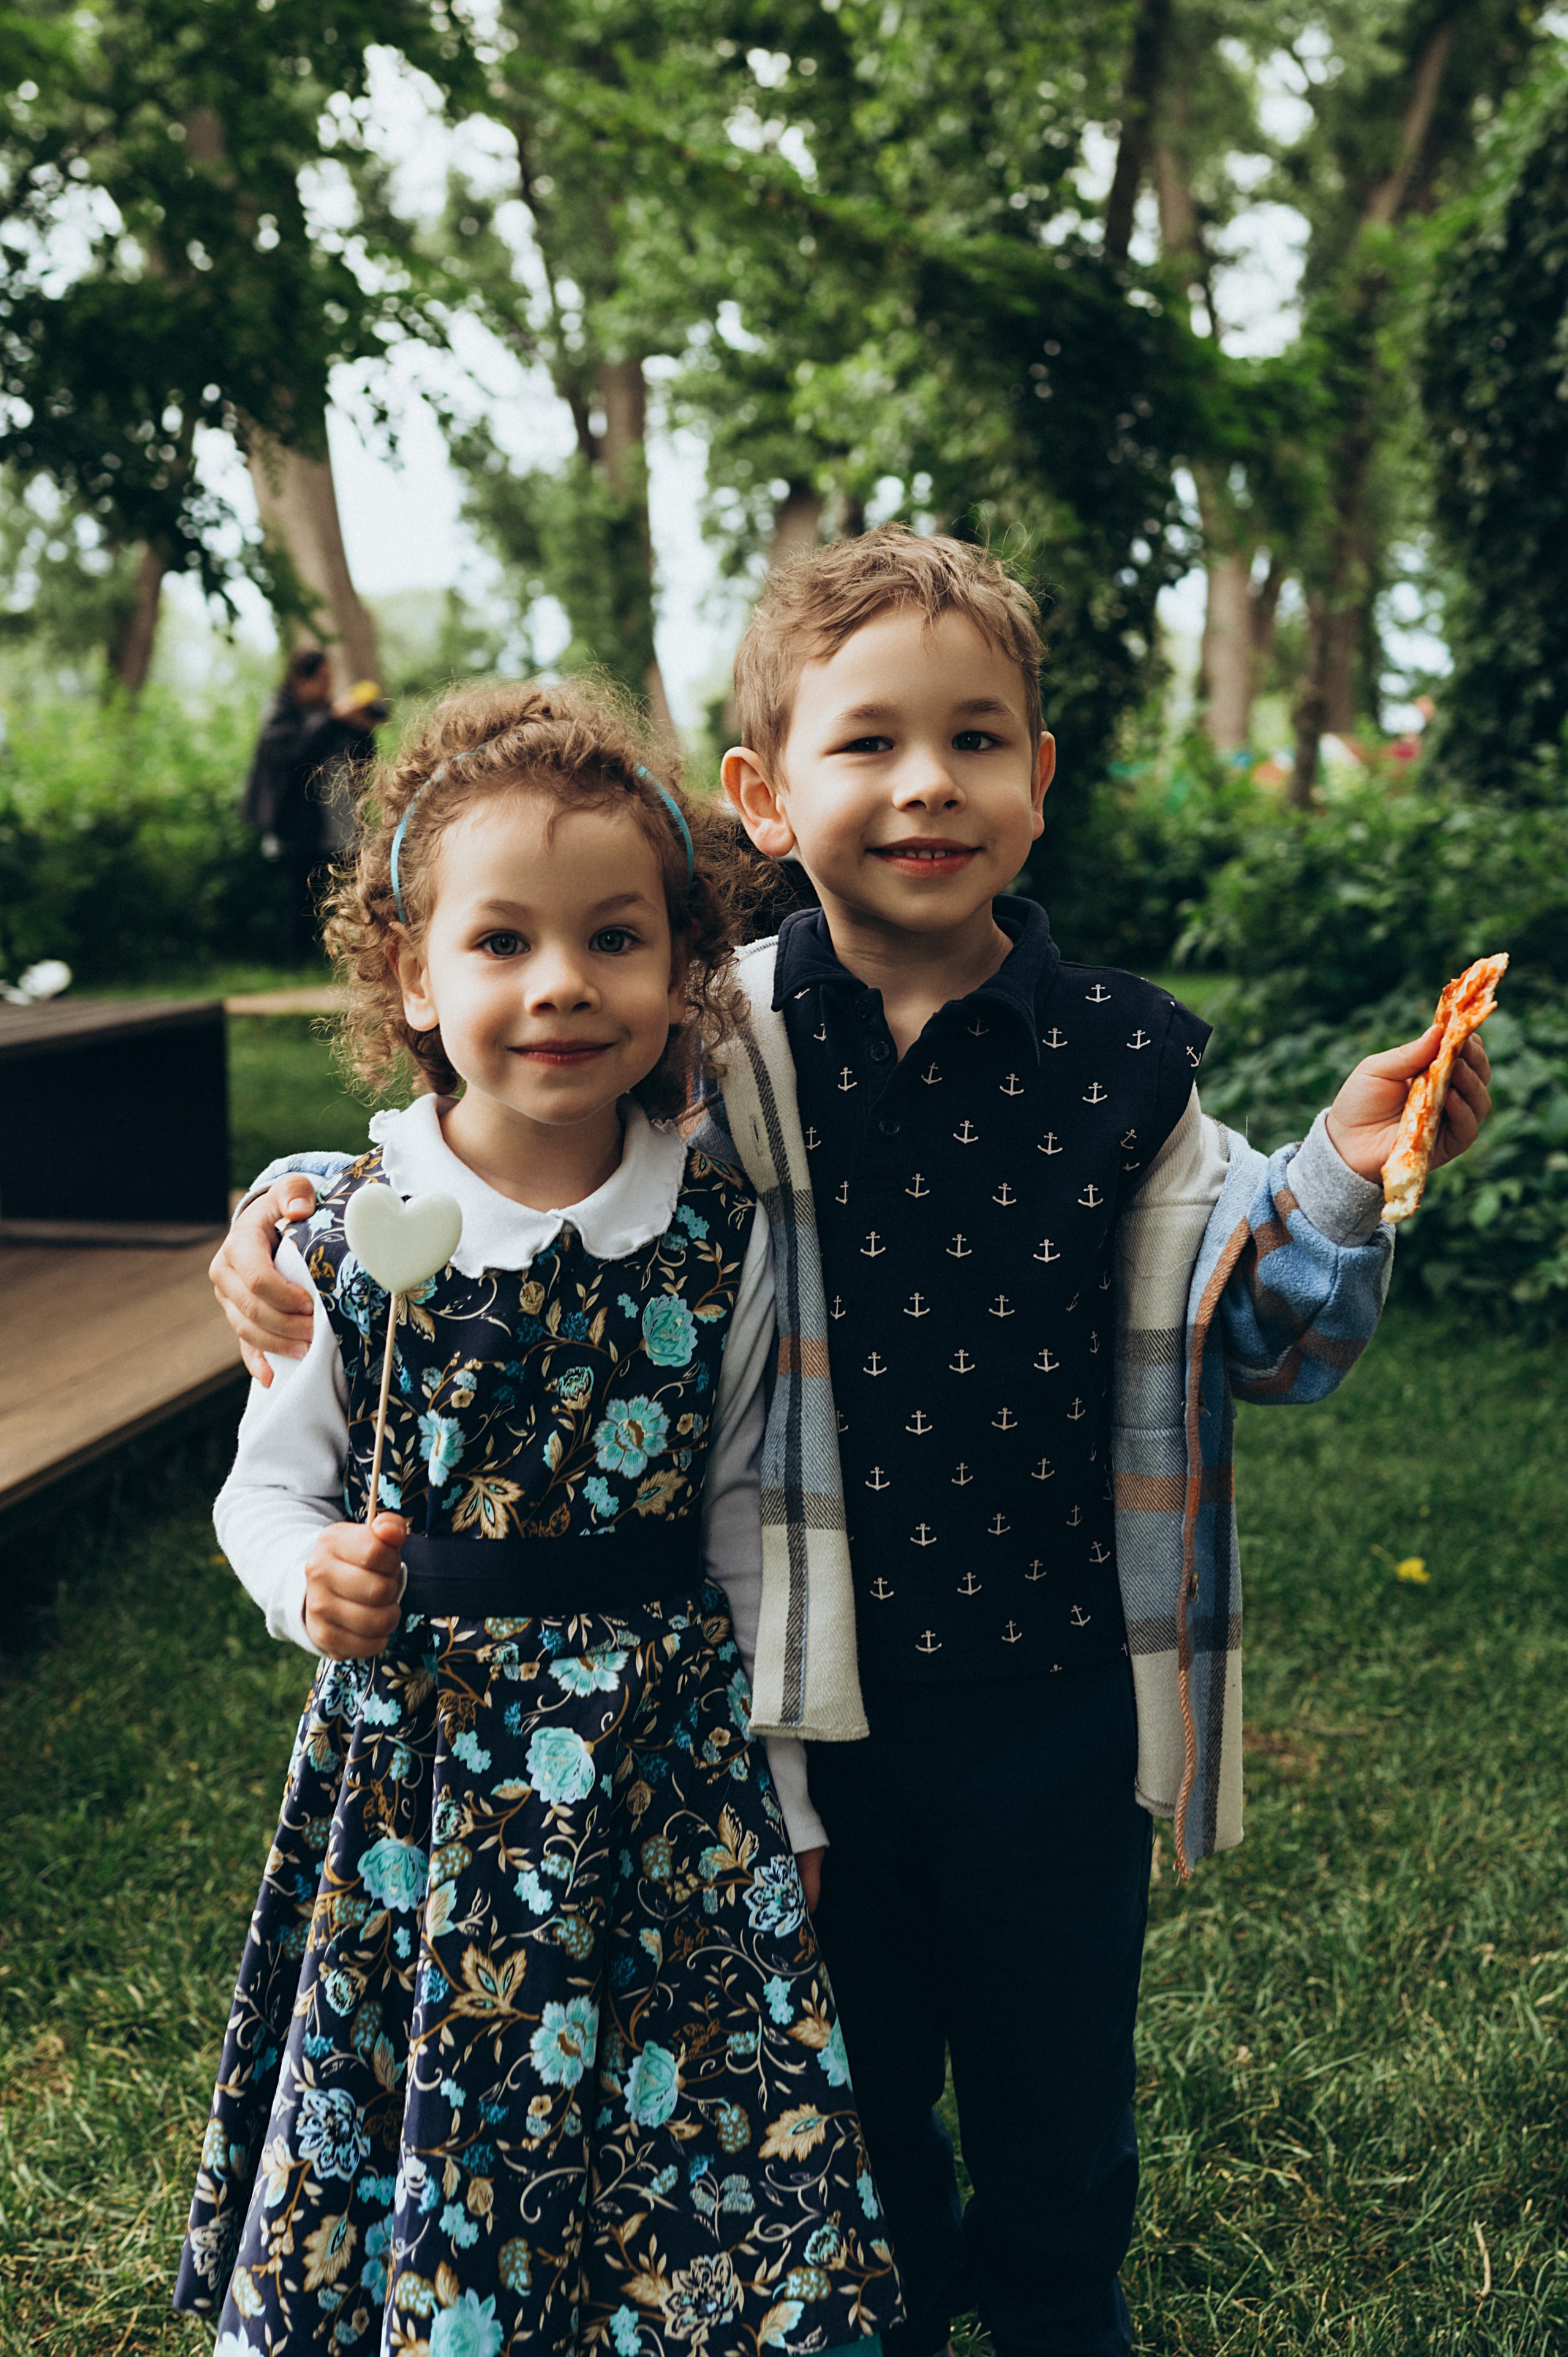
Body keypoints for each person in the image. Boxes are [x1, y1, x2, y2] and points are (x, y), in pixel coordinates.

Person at [211, 532, 1493, 2357]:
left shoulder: (1127, 1062)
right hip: (797, 1707)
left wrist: (1343, 1178)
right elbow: (486, 1133)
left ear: (1038, 777)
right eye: (867, 741)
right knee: (837, 2116)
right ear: (764, 795)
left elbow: (1257, 1330)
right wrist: (282, 1209)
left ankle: (1056, 2310)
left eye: (974, 739)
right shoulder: (705, 1029)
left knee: (1056, 2109)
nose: (925, 782)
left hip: (1054, 1688)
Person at [179, 679, 900, 2357]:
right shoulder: (341, 1233)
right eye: (501, 941)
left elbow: (738, 1513)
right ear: (415, 979)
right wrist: (308, 1578)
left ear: (684, 972)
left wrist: (784, 1791)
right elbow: (267, 1487)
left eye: (614, 938)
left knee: (678, 2113)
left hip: (666, 1771)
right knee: (444, 2091)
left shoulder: (721, 1234)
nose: (561, 981)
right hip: (422, 1774)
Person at [242, 649, 382, 960]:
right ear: (299, 679)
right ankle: (294, 958)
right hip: (295, 824)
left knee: (354, 889)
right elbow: (295, 755)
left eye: (330, 679)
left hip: (338, 823)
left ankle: (354, 952)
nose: (327, 687)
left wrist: (362, 727)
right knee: (301, 895)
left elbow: (362, 762)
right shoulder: (280, 713)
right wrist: (334, 720)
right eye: (322, 679)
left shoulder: (330, 714)